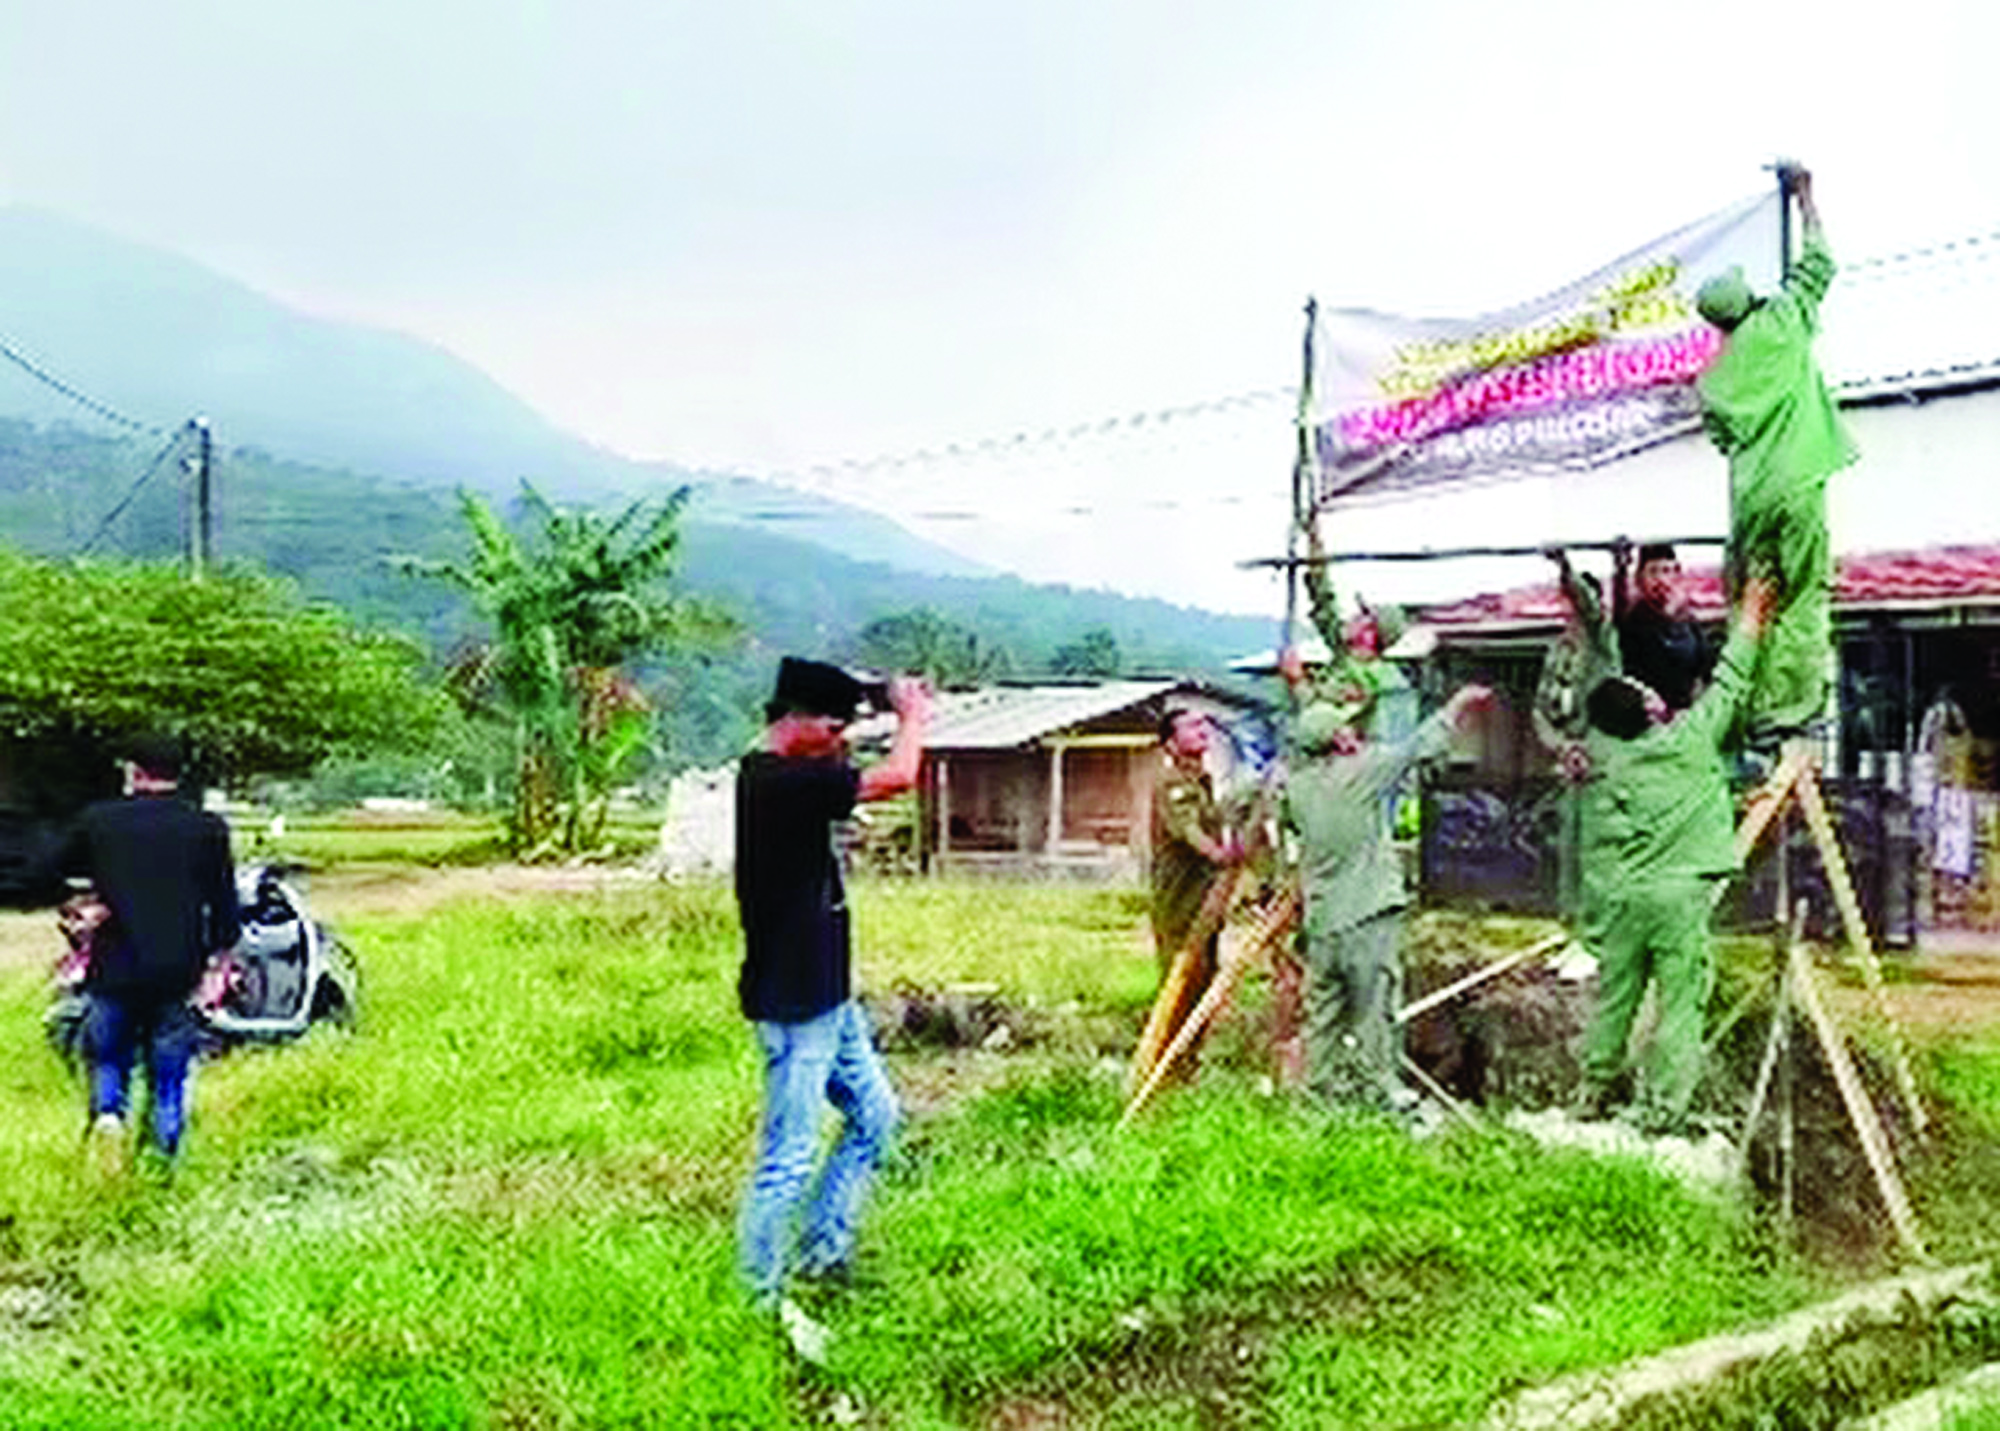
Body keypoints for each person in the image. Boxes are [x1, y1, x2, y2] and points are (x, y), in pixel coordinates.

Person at [734, 656, 929, 1350]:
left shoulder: (789, 770)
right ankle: (756, 1298)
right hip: (795, 1001)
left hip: (827, 993)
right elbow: (902, 774)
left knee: (876, 1117)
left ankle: (825, 1253)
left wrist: (869, 707)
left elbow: (843, 759)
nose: (842, 738)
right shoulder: (781, 782)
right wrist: (913, 716)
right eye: (834, 725)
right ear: (798, 722)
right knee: (789, 1152)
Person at [1576, 576, 1776, 1132]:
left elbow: (1649, 816)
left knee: (1616, 1000)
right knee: (1680, 1005)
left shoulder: (1612, 768)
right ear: (1647, 706)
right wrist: (1753, 615)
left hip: (1626, 901)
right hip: (1678, 899)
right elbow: (1732, 678)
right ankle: (1663, 1109)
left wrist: (1730, 801)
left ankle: (1592, 1093)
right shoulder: (1691, 738)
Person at [1279, 647, 1493, 1113]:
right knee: (1374, 1009)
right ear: (1339, 740)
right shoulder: (1363, 771)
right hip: (1367, 914)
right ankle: (1382, 1092)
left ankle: (1318, 1096)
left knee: (1323, 1014)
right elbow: (1419, 747)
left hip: (1322, 922)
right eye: (1346, 725)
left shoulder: (1297, 788)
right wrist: (1457, 705)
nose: (1355, 728)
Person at [1696, 162, 1856, 742]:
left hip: (1751, 497)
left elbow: (1721, 440)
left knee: (1751, 601)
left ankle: (1745, 708)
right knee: (1803, 593)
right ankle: (1788, 708)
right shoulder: (1786, 318)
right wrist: (1806, 197)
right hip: (1800, 478)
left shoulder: (1711, 380)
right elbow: (1820, 262)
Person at [55, 732, 240, 1173]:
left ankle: (107, 1116)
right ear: (178, 775)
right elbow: (225, 908)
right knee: (170, 1077)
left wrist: (91, 905)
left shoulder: (98, 821)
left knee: (106, 1057)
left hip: (114, 966)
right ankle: (161, 1165)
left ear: (133, 772)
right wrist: (218, 962)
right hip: (179, 970)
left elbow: (58, 871)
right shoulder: (207, 828)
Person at [1148, 707, 1243, 1067]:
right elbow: (1187, 829)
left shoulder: (1202, 779)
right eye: (1192, 726)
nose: (1203, 731)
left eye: (1205, 725)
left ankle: (1188, 1058)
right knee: (1181, 978)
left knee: (1204, 976)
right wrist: (1219, 854)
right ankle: (1166, 1059)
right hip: (1180, 899)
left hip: (1204, 897)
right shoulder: (1171, 781)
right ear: (1171, 742)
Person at [1531, 549, 1620, 922]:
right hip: (1569, 761)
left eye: (1576, 600)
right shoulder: (1559, 651)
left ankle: (1598, 931)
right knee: (1568, 847)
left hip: (1601, 757)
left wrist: (1565, 566)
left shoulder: (1603, 642)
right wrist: (1561, 746)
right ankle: (1571, 926)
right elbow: (1540, 710)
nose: (1571, 610)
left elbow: (1592, 611)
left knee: (1597, 847)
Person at [1615, 542, 1714, 713]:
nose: (1661, 580)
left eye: (1667, 571)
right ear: (1640, 579)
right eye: (1653, 572)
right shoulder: (1634, 620)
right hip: (1649, 717)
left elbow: (1704, 663)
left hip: (1685, 713)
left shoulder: (1687, 618)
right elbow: (1660, 657)